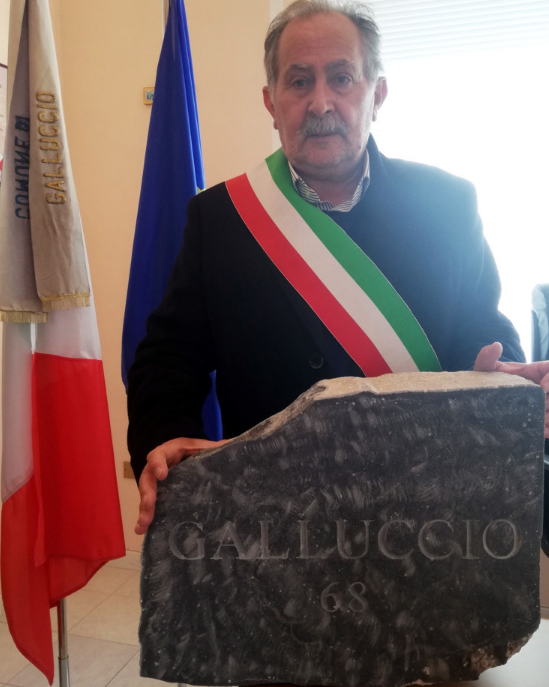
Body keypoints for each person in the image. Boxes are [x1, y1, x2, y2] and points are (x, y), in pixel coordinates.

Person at [128, 0, 549, 536]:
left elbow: (483, 328)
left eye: (342, 78)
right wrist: (166, 434)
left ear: (377, 95)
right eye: (299, 81)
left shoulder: (447, 204)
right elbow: (168, 357)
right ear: (271, 102)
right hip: (275, 521)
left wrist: (501, 375)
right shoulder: (221, 219)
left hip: (423, 514)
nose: (320, 102)